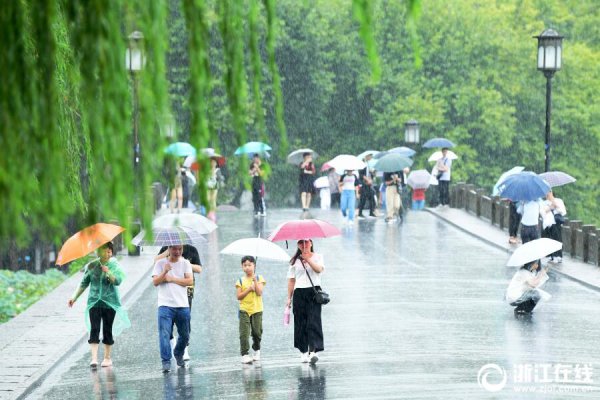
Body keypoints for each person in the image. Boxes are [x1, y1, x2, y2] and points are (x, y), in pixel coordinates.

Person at [68, 242, 130, 368]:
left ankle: (107, 358)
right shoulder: (92, 266)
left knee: (107, 330)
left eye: (109, 251)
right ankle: (94, 358)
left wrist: (108, 273)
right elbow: (84, 283)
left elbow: (117, 281)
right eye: (104, 251)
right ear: (98, 252)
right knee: (94, 329)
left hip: (110, 303)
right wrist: (74, 298)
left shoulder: (114, 265)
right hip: (94, 302)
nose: (107, 254)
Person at [155, 245, 202, 361]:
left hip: (187, 292)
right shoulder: (166, 249)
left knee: (185, 326)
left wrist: (182, 263)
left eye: (179, 248)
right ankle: (170, 348)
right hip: (167, 297)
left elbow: (199, 269)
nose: (178, 251)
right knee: (166, 327)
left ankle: (184, 349)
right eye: (175, 248)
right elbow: (156, 261)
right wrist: (168, 252)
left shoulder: (191, 250)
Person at [286, 239, 324, 364]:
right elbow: (291, 280)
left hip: (314, 292)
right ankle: (303, 351)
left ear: (311, 243)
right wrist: (289, 298)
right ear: (298, 245)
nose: (304, 245)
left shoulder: (318, 256)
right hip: (299, 293)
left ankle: (313, 351)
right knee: (301, 323)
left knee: (313, 321)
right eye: (301, 242)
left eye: (306, 242)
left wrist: (308, 259)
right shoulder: (294, 261)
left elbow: (319, 270)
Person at [236, 256, 266, 364]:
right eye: (245, 265)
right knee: (244, 333)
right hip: (244, 310)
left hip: (257, 309)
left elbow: (259, 292)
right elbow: (239, 296)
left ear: (254, 266)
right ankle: (244, 354)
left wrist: (255, 282)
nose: (247, 267)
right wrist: (249, 289)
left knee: (257, 332)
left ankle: (257, 349)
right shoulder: (240, 281)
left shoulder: (259, 278)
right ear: (242, 267)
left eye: (250, 265)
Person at [541, 191, 567, 263]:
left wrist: (556, 206)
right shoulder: (544, 203)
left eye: (549, 193)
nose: (547, 194)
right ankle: (550, 255)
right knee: (548, 239)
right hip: (547, 224)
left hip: (556, 223)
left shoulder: (558, 201)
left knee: (557, 239)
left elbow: (563, 212)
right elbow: (542, 213)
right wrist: (550, 207)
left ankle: (558, 256)